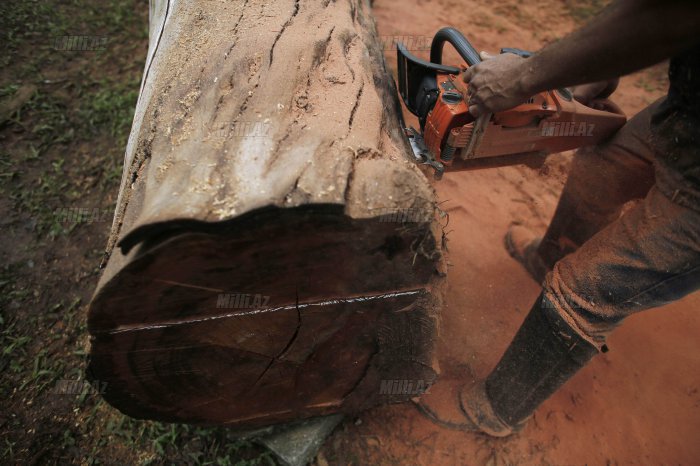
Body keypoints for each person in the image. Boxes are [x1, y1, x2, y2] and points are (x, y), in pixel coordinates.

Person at [434, 0, 700, 437]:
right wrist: (597, 64)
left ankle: (496, 409)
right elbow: (651, 11)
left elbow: (675, 14)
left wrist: (523, 77)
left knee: (591, 288)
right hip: (689, 117)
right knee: (603, 165)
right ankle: (547, 259)